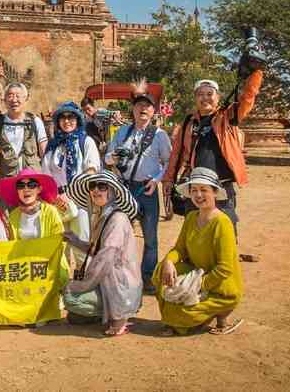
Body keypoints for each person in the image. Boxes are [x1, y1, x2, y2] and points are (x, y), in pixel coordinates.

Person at [164, 61, 264, 233]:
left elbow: (248, 98)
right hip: (196, 187)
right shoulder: (189, 122)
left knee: (225, 232)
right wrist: (168, 180)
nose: (205, 98)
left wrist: (256, 72)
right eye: (200, 94)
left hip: (221, 187)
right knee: (194, 233)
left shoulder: (227, 117)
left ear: (217, 98)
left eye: (210, 94)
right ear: (195, 98)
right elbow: (177, 154)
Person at [154, 167, 244, 336]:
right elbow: (179, 249)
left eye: (204, 190)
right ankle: (180, 317)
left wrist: (196, 285)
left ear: (215, 192)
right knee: (161, 272)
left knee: (181, 323)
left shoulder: (222, 223)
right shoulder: (191, 217)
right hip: (198, 274)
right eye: (194, 190)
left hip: (219, 286)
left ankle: (220, 312)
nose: (198, 195)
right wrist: (168, 261)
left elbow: (225, 269)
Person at [104, 80, 172, 291]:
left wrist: (156, 180)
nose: (143, 109)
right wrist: (113, 157)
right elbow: (107, 158)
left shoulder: (160, 135)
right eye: (139, 106)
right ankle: (122, 274)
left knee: (150, 236)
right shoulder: (122, 132)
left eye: (147, 106)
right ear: (132, 109)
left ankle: (148, 277)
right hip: (125, 189)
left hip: (147, 189)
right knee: (121, 234)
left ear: (153, 111)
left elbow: (169, 162)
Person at [63, 169, 142, 334]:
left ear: (112, 191)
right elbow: (97, 250)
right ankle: (103, 312)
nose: (96, 190)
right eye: (92, 186)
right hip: (109, 282)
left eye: (102, 186)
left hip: (120, 286)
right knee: (75, 316)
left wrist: (83, 285)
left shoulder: (117, 219)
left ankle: (119, 319)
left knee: (71, 297)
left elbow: (105, 258)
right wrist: (75, 240)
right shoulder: (101, 216)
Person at [0, 82, 48, 189]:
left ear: (25, 99)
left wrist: (46, 180)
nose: (14, 100)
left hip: (32, 182)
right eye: (10, 95)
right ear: (4, 100)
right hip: (8, 181)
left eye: (18, 96)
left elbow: (44, 152)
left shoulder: (35, 121)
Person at [42, 101, 102, 193]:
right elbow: (46, 172)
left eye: (70, 117)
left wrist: (73, 192)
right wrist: (55, 195)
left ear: (77, 120)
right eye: (62, 117)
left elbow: (92, 169)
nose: (66, 121)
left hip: (81, 198)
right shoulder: (53, 145)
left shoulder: (86, 141)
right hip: (57, 199)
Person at [0, 167, 65, 241]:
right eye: (21, 186)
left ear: (39, 189)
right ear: (17, 191)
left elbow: (59, 242)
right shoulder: (13, 216)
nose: (26, 189)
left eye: (31, 185)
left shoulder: (51, 212)